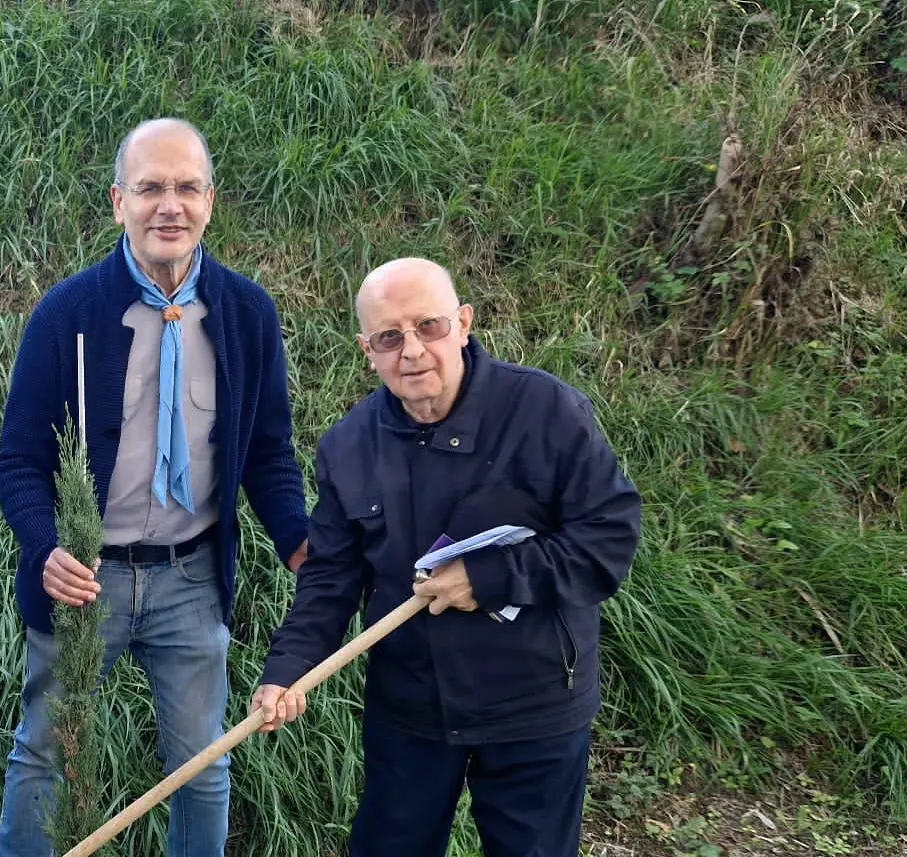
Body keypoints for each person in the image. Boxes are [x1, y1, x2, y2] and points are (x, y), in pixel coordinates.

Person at [0, 117, 310, 857]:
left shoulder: (247, 315)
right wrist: (44, 547)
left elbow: (269, 454)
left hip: (190, 578)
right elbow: (17, 460)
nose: (171, 205)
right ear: (118, 202)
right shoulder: (66, 314)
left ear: (210, 201)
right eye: (151, 188)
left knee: (203, 767)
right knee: (45, 754)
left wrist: (299, 541)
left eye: (187, 187)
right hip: (85, 581)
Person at [250, 259, 643, 857]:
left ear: (463, 323)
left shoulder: (546, 413)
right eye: (389, 337)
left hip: (534, 704)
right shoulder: (349, 446)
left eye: (427, 326)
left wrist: (488, 578)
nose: (411, 351)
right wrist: (288, 670)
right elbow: (330, 576)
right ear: (368, 350)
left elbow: (608, 540)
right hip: (410, 709)